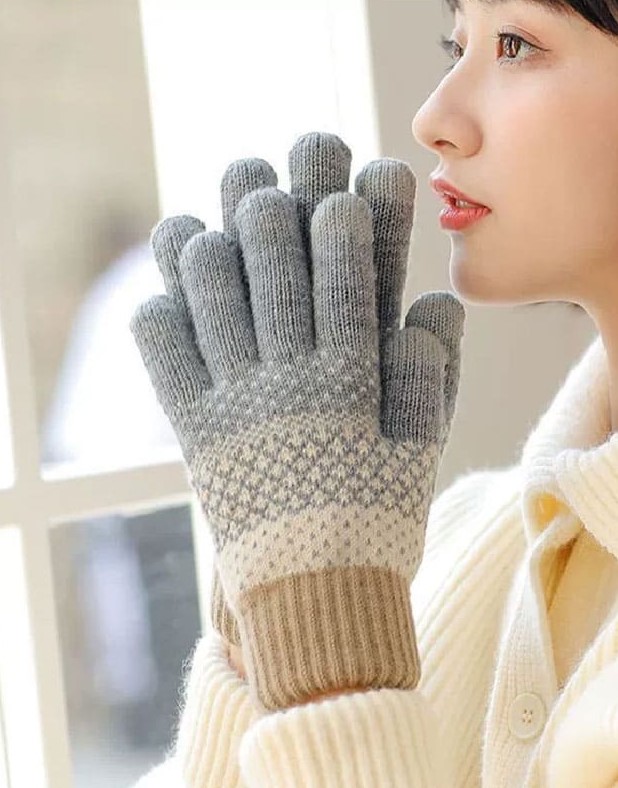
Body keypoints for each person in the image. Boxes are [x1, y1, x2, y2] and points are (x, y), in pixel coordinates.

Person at [131, 0, 618, 784]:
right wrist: (270, 609)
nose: (433, 118)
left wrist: (333, 673)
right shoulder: (447, 541)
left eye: (516, 43)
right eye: (456, 44)